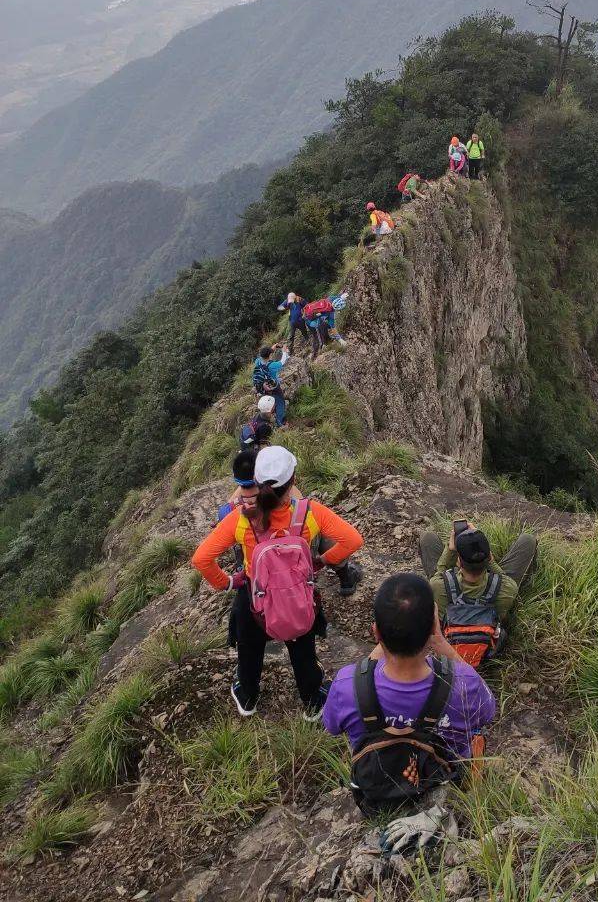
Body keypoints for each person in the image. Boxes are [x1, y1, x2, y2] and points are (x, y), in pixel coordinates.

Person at [192, 445, 365, 719]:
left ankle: (247, 698)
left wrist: (226, 582)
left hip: (254, 596)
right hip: (296, 592)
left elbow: (201, 559)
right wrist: (319, 561)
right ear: (293, 481)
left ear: (256, 484)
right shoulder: (310, 513)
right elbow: (353, 540)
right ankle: (312, 702)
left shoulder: (241, 520)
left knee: (249, 650)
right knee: (303, 650)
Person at [323, 572, 496, 817]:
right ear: (433, 628)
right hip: (446, 786)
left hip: (377, 786)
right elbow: (488, 712)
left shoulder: (345, 685)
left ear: (376, 632)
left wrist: (383, 640)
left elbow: (331, 726)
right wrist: (444, 646)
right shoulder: (465, 683)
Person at [419, 522, 537, 667]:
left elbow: (440, 572)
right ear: (488, 558)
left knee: (428, 538)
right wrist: (489, 560)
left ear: (459, 562)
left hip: (451, 641)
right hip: (488, 642)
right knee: (528, 540)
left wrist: (450, 551)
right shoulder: (508, 587)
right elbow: (504, 579)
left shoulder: (437, 585)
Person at [252, 344, 289, 425]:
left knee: (270, 400)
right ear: (270, 355)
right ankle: (281, 422)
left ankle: (268, 416)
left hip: (263, 387)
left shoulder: (258, 361)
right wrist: (284, 351)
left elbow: (264, 355)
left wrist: (272, 349)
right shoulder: (272, 365)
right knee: (280, 402)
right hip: (273, 387)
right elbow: (282, 362)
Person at [278, 292, 319, 357]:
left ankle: (309, 343)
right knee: (291, 336)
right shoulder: (287, 301)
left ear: (295, 297)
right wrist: (282, 307)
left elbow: (308, 306)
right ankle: (290, 352)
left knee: (304, 332)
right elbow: (279, 307)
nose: (291, 302)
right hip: (292, 322)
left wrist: (304, 313)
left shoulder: (300, 300)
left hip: (301, 321)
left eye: (292, 300)